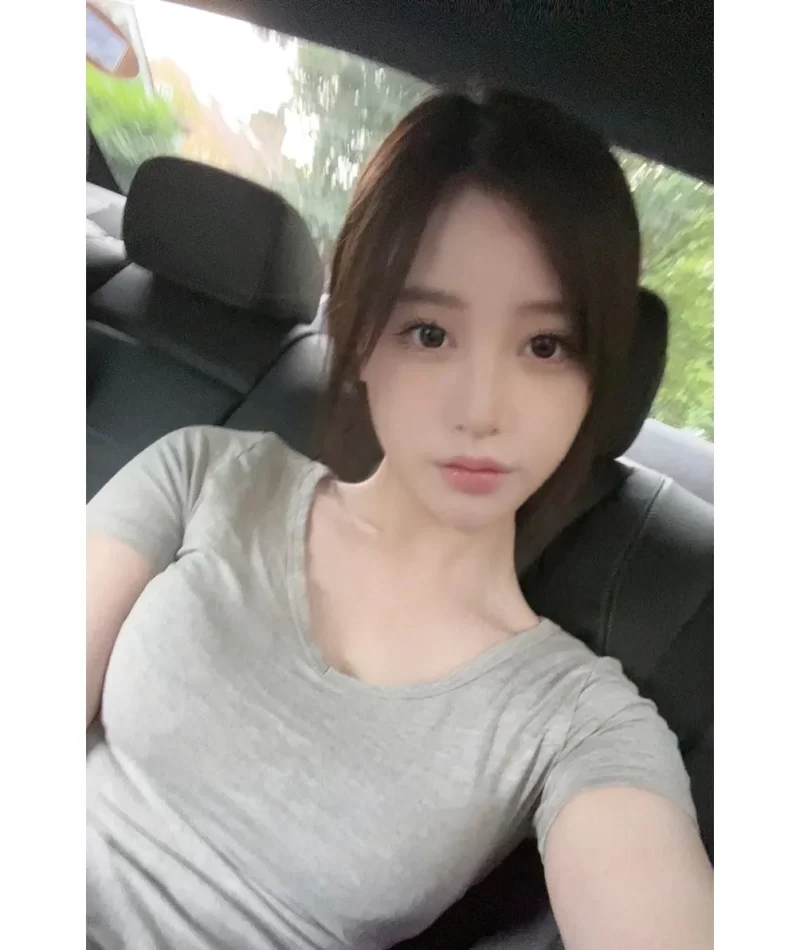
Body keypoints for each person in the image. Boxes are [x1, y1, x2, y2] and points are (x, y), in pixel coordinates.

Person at [86, 89, 713, 950]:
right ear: (359, 338)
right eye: (429, 333)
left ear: (594, 379)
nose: (481, 410)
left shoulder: (577, 719)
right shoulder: (206, 474)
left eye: (545, 346)